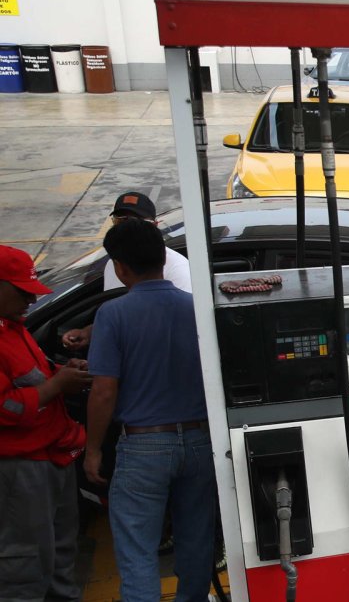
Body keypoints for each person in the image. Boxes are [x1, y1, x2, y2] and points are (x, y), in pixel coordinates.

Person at [85, 220, 214, 602]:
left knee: (137, 548)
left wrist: (93, 450)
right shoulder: (197, 308)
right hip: (200, 442)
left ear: (120, 268)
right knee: (196, 539)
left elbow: (104, 391)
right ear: (163, 258)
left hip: (143, 448)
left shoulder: (113, 314)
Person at [0, 245, 92, 602]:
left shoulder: (13, 327)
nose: (29, 300)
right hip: (20, 469)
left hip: (53, 457)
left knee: (59, 554)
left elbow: (31, 376)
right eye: (22, 291)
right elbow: (7, 406)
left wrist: (61, 373)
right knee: (23, 563)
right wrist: (58, 385)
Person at [61, 191, 191, 351]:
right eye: (120, 221)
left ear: (155, 226)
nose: (127, 228)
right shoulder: (112, 265)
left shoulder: (179, 270)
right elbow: (120, 317)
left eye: (134, 221)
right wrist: (89, 332)